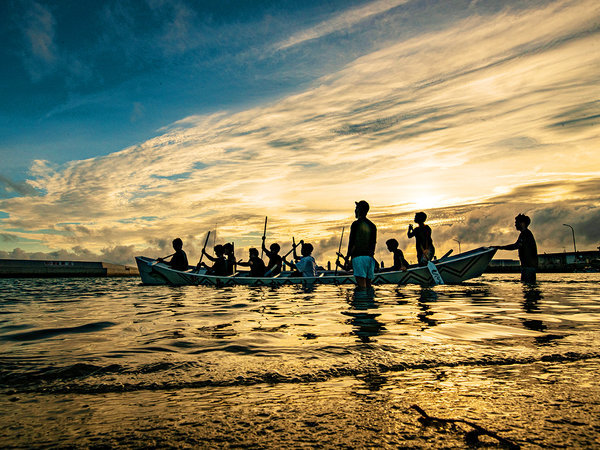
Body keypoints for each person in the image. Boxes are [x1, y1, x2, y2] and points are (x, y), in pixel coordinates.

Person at [495, 214, 538, 283]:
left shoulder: (525, 234)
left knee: (527, 285)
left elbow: (516, 246)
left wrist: (500, 247)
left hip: (528, 267)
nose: (515, 225)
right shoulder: (526, 233)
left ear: (522, 223)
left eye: (516, 223)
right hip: (528, 266)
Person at [345, 200, 377, 289]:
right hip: (370, 258)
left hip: (358, 258)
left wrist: (347, 257)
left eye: (356, 208)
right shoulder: (372, 225)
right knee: (368, 286)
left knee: (362, 287)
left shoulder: (356, 224)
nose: (355, 210)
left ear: (359, 210)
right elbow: (373, 244)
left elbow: (352, 242)